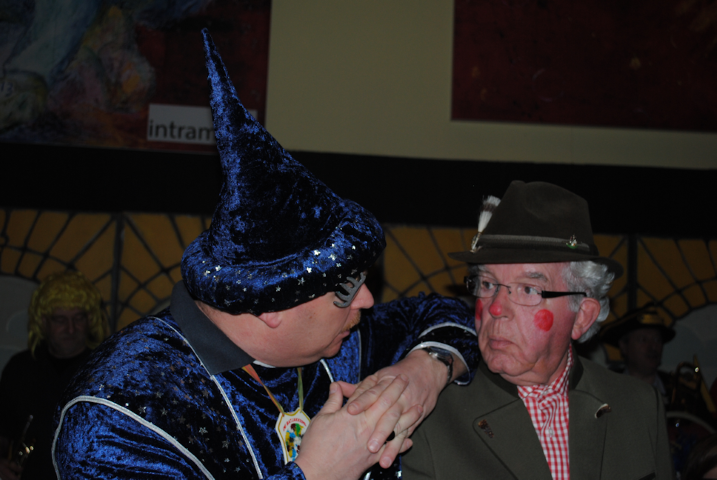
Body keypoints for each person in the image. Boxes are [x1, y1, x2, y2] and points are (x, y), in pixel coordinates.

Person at [51, 30, 479, 480]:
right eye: (348, 287)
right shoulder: (115, 414)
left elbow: (453, 316)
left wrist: (425, 369)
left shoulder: (336, 341)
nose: (368, 300)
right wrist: (316, 472)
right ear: (271, 305)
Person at [403, 181, 673, 479]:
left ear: (582, 317)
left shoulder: (639, 407)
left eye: (529, 289)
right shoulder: (429, 415)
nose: (496, 308)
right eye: (488, 284)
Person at [0, 270, 109, 480]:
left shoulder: (105, 369)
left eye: (79, 318)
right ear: (43, 321)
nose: (71, 329)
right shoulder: (20, 369)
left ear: (90, 319)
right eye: (60, 320)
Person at [600, 305, 676, 405]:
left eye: (657, 340)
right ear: (624, 346)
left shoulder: (678, 391)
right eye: (643, 340)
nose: (653, 347)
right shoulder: (606, 388)